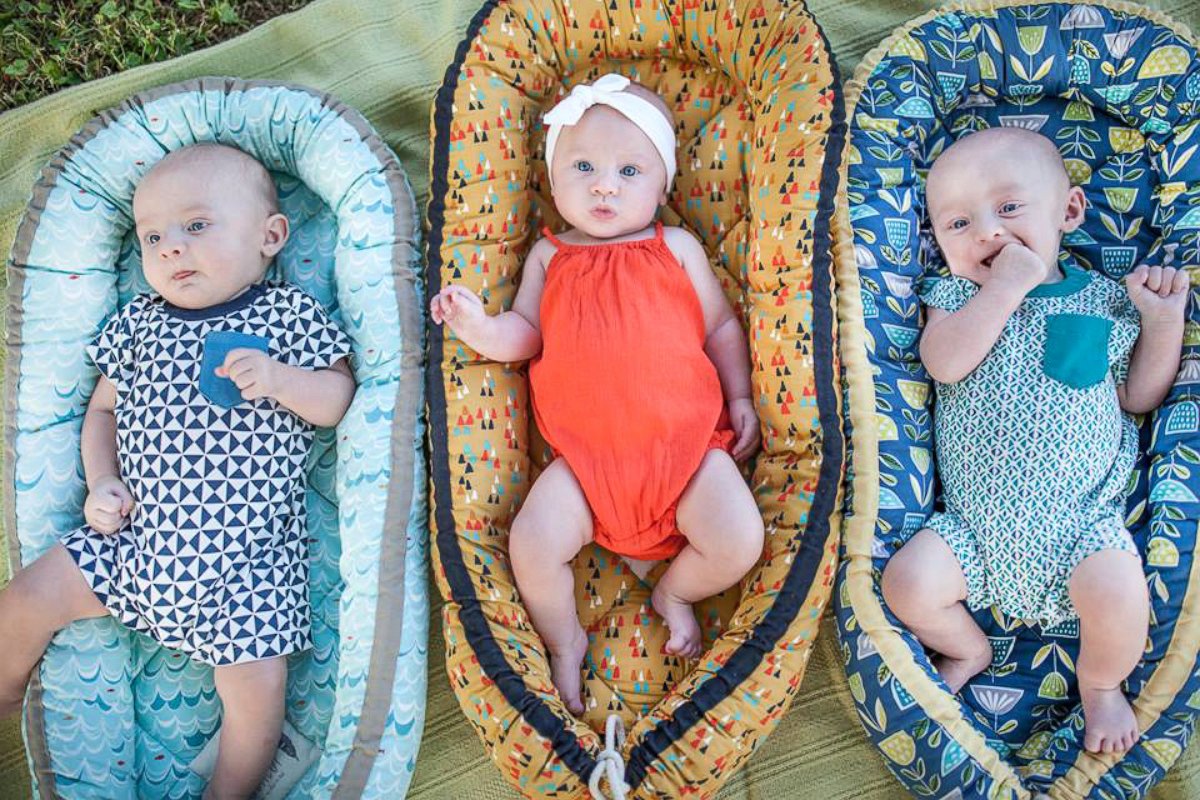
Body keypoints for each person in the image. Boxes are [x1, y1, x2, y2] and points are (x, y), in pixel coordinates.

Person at [0, 143, 355, 798]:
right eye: (152, 237)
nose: (170, 248)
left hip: (245, 570)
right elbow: (101, 412)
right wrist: (101, 481)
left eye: (196, 226)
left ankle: (226, 792)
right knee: (22, 601)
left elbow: (337, 402)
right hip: (132, 544)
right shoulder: (138, 322)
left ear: (270, 237)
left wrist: (279, 381)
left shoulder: (288, 315)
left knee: (258, 692)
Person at [430, 74, 764, 715]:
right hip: (585, 472)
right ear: (554, 184)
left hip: (687, 457)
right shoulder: (549, 257)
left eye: (630, 170)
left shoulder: (678, 247)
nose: (604, 184)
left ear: (662, 187)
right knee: (529, 545)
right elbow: (522, 335)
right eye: (582, 166)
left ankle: (676, 592)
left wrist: (742, 395)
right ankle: (564, 642)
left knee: (739, 539)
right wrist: (477, 325)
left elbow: (721, 325)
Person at [881, 127, 1190, 754]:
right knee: (905, 583)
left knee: (1118, 591)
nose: (987, 233)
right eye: (958, 223)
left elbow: (1138, 397)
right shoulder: (954, 295)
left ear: (1069, 211)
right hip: (972, 530)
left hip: (1079, 526)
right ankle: (969, 646)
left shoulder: (1103, 301)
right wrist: (1002, 289)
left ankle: (1101, 684)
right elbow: (942, 363)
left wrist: (1162, 325)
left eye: (1009, 208)